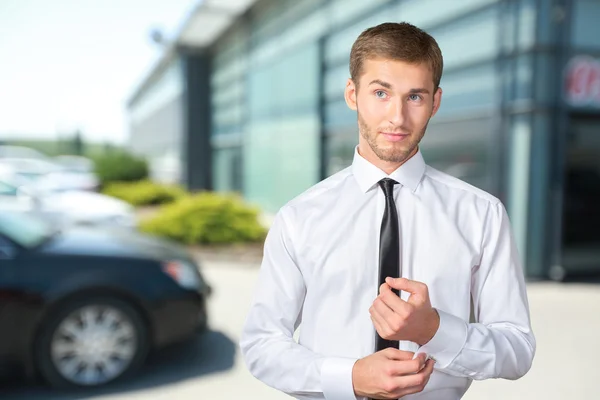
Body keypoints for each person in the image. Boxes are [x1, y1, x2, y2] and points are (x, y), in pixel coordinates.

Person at [240, 22, 535, 400]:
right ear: (353, 94)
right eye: (381, 92)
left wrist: (434, 330)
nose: (397, 117)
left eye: (415, 97)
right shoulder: (299, 217)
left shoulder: (482, 214)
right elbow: (262, 345)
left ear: (435, 102)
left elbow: (518, 349)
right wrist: (349, 377)